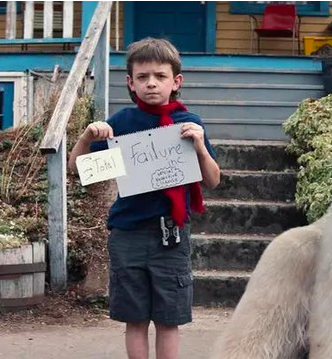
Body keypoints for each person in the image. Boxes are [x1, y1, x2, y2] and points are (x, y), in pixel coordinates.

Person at [68, 37, 220, 359]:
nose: (151, 83)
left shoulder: (188, 124)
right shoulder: (120, 124)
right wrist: (86, 137)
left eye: (160, 76)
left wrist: (200, 147)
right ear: (131, 83)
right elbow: (79, 171)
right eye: (142, 77)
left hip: (172, 235)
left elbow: (213, 180)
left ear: (176, 81)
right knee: (135, 319)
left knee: (169, 320)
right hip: (128, 235)